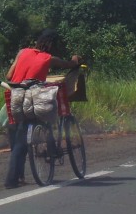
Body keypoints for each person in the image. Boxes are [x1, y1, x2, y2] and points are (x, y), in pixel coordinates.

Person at [4, 29, 81, 189]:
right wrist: (75, 60)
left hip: (15, 97)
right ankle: (12, 180)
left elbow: (9, 76)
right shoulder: (49, 58)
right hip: (32, 99)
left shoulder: (22, 52)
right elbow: (69, 64)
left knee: (18, 137)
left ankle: (17, 176)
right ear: (53, 45)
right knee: (46, 116)